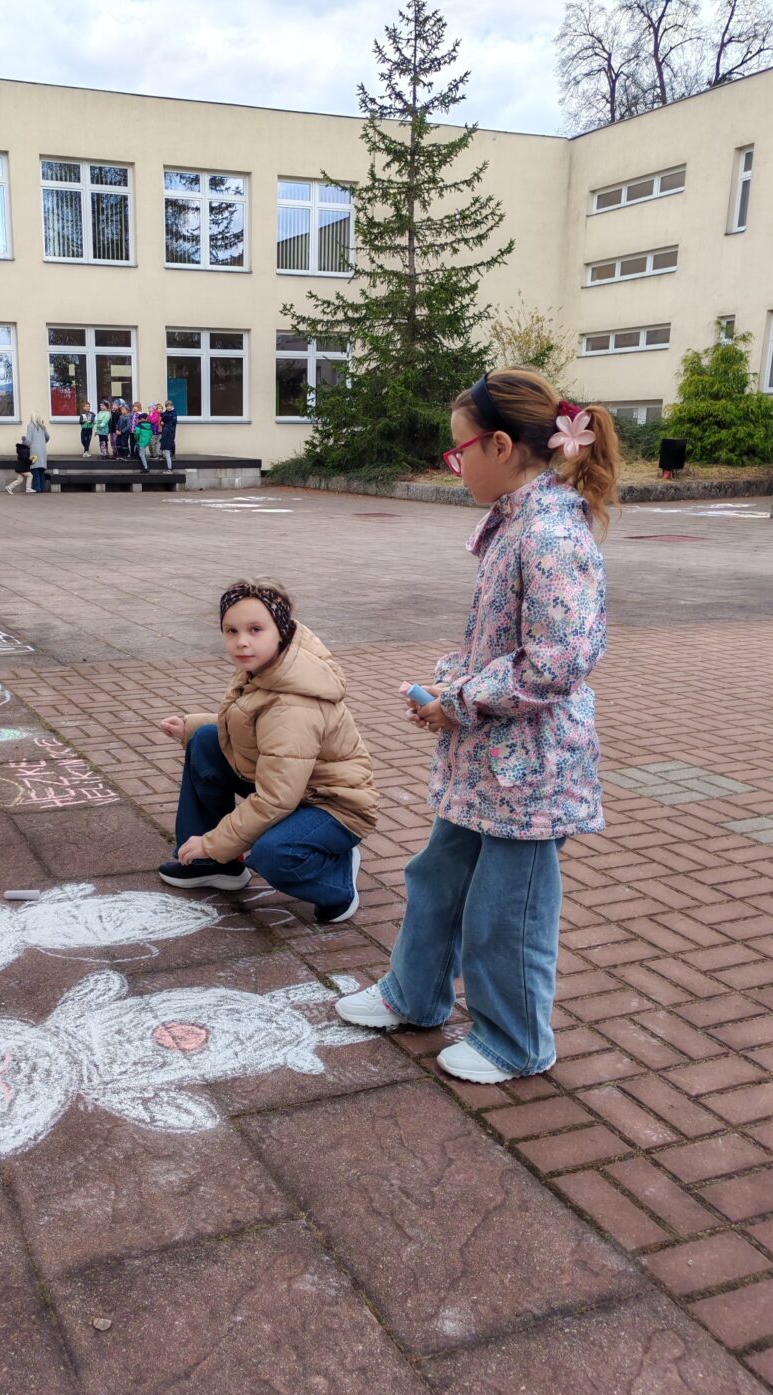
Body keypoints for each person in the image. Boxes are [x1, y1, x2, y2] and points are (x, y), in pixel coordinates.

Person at [336, 368, 619, 1085]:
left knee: (507, 909)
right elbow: (502, 642)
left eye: (459, 451)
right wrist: (450, 687)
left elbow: (558, 661)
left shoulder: (549, 531)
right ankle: (415, 993)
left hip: (530, 768)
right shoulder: (518, 520)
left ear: (499, 445)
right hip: (491, 755)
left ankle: (516, 1041)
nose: (455, 466)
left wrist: (458, 700)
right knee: (439, 875)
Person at [157, 578, 377, 924]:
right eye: (231, 631)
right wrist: (194, 726)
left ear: (281, 630)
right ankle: (212, 866)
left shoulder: (293, 704)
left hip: (333, 805)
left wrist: (213, 841)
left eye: (255, 629)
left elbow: (276, 797)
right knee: (206, 740)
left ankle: (336, 881)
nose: (242, 641)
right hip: (294, 787)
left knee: (274, 853)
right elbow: (257, 726)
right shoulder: (267, 666)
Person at [19, 416, 49, 494]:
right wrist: (42, 442)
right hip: (42, 450)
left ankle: (36, 488)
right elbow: (48, 437)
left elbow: (28, 440)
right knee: (41, 470)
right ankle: (42, 488)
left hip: (34, 450)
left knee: (35, 470)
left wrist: (23, 440)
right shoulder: (43, 427)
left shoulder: (30, 426)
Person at [159, 401, 178, 470]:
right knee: (162, 441)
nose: (169, 407)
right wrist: (163, 420)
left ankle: (172, 454)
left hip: (171, 431)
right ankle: (161, 455)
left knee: (171, 442)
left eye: (170, 406)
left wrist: (165, 420)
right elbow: (162, 417)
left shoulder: (174, 412)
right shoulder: (165, 413)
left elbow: (173, 421)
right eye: (167, 406)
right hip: (165, 431)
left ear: (172, 406)